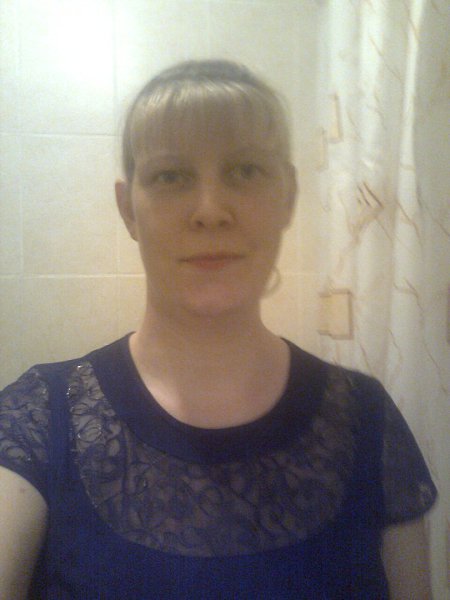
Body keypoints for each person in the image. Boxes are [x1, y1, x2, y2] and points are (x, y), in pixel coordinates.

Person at [0, 59, 437, 599]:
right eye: (171, 176)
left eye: (246, 170)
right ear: (128, 209)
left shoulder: (367, 420)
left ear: (288, 196)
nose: (210, 211)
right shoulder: (38, 420)